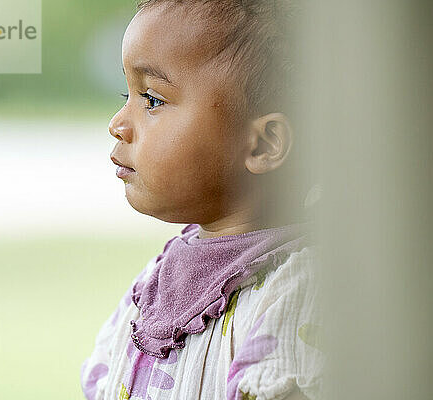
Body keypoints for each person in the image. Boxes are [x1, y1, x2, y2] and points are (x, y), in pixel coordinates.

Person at [81, 1, 324, 399]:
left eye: (152, 99)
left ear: (263, 144)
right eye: (127, 93)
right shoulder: (157, 282)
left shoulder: (300, 289)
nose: (118, 123)